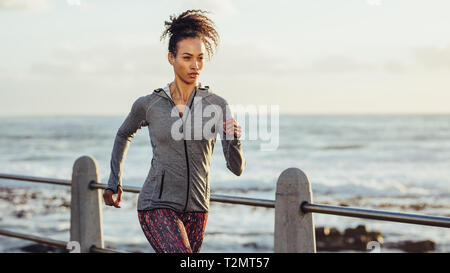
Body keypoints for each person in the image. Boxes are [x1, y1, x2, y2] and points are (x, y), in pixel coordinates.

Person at [102, 9, 245, 253]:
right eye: (187, 57)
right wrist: (114, 180)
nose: (195, 65)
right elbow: (123, 134)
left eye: (200, 58)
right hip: (155, 205)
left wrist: (234, 139)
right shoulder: (150, 104)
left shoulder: (217, 105)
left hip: (198, 208)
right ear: (171, 58)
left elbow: (236, 168)